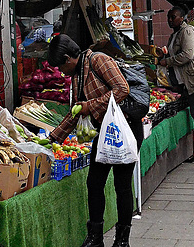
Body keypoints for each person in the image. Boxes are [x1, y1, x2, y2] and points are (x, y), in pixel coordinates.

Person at [47, 34, 142, 247]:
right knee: (95, 183)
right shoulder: (77, 75)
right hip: (104, 132)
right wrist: (55, 137)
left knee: (122, 186)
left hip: (125, 130)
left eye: (60, 67)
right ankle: (95, 238)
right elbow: (76, 112)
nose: (61, 72)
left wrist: (92, 105)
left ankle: (122, 240)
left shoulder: (98, 60)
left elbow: (122, 89)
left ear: (67, 58)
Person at [158, 5, 194, 162]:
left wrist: (167, 61)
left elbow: (187, 55)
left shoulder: (187, 31)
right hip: (188, 79)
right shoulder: (176, 34)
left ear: (182, 17)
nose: (170, 20)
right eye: (169, 17)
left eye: (173, 17)